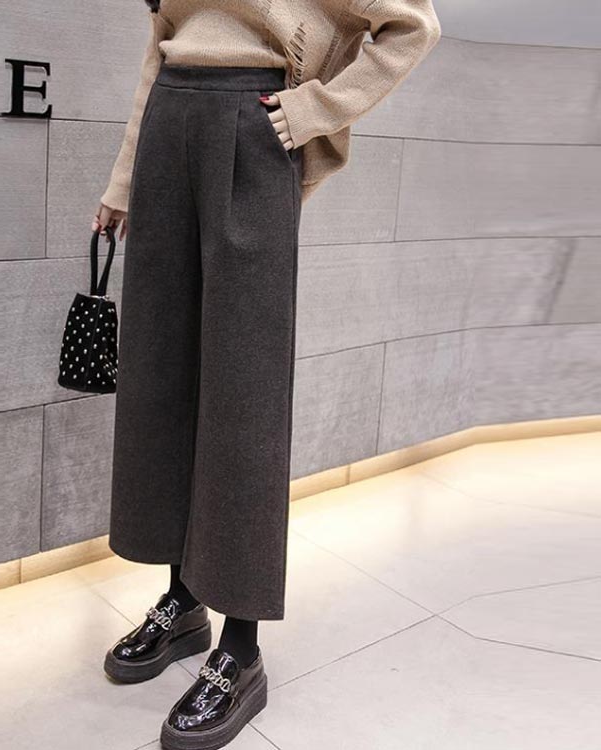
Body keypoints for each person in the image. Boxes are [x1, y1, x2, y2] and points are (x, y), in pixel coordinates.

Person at [93, 1, 441, 748]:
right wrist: (123, 179)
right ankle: (183, 601)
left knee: (243, 390)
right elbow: (160, 47)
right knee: (161, 378)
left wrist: (316, 110)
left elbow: (412, 23)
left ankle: (240, 648)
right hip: (169, 126)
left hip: (251, 127)